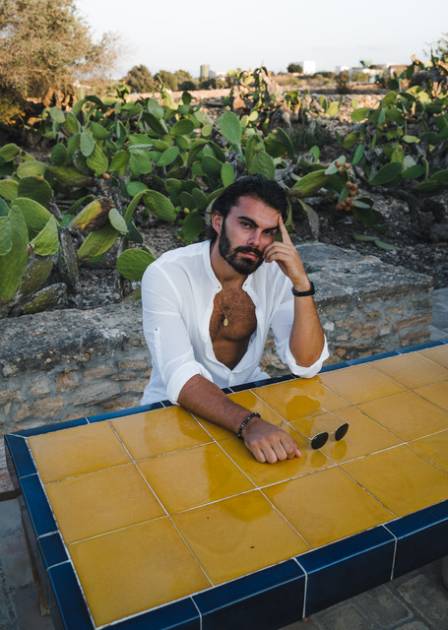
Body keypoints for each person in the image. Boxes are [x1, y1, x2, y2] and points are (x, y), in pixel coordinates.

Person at [141, 175, 329, 464]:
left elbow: (306, 364)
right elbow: (181, 376)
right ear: (218, 222)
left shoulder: (276, 273)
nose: (256, 242)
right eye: (247, 225)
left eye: (268, 232)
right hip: (174, 409)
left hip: (246, 397)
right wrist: (249, 424)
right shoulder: (167, 274)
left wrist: (302, 284)